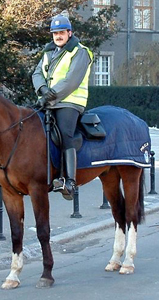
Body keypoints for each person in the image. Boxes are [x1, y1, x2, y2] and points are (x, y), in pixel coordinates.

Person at [32, 14, 93, 200]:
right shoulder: (49, 52)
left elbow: (71, 81)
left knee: (65, 133)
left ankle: (70, 181)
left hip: (70, 102)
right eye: (55, 33)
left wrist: (49, 96)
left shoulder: (80, 52)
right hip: (49, 101)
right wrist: (42, 90)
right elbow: (36, 73)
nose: (58, 36)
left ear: (69, 33)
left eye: (61, 32)